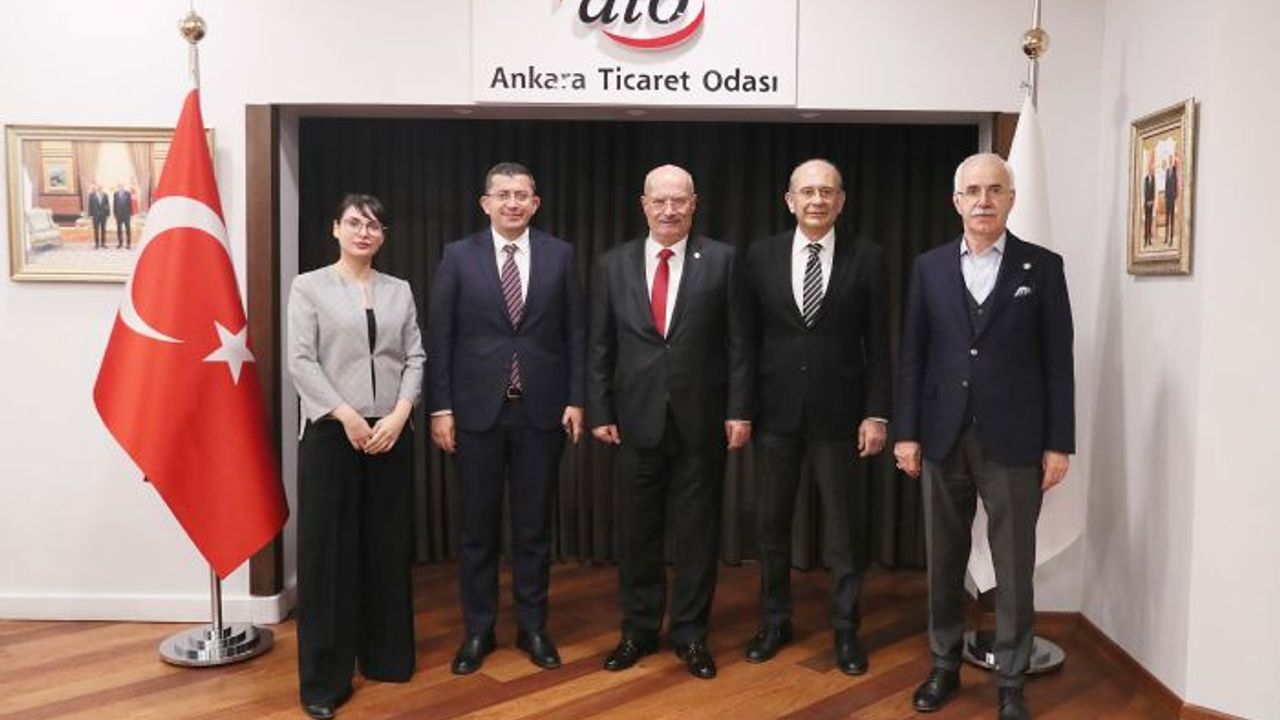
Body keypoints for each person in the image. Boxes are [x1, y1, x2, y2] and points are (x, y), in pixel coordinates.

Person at [894, 153, 1074, 720]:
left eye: (995, 189)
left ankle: (1011, 682)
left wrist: (1059, 443)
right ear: (956, 201)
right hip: (941, 435)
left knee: (1014, 567)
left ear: (1011, 199)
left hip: (1016, 441)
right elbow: (912, 358)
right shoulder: (928, 268)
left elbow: (1058, 363)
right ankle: (943, 665)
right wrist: (906, 433)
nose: (984, 200)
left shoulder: (1042, 267)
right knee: (944, 559)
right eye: (972, 190)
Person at [587, 164, 753, 680]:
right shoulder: (612, 264)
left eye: (679, 200)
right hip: (634, 421)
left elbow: (740, 344)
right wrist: (600, 409)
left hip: (702, 420)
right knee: (637, 534)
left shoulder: (723, 260)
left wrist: (739, 409)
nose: (669, 210)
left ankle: (690, 634)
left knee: (697, 534)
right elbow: (599, 345)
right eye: (659, 201)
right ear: (644, 205)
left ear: (694, 204)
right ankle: (637, 630)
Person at [427, 162, 586, 675]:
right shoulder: (457, 256)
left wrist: (577, 398)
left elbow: (576, 333)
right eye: (503, 195)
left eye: (522, 195)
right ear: (486, 203)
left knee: (534, 529)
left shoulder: (561, 255)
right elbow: (440, 336)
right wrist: (441, 407)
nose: (512, 203)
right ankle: (478, 630)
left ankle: (532, 626)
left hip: (542, 411)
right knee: (477, 531)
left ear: (535, 203)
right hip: (476, 414)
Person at [741, 159, 891, 674]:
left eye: (827, 191)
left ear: (841, 201)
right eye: (807, 191)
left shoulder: (868, 257)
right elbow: (745, 341)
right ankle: (774, 621)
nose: (817, 200)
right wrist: (741, 409)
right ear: (790, 201)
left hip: (842, 415)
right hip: (774, 414)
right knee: (771, 526)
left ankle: (846, 630)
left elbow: (880, 344)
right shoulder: (760, 256)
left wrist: (877, 413)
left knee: (844, 532)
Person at [287, 194, 424, 720]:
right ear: (335, 229)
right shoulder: (309, 287)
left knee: (386, 547)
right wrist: (346, 416)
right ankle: (325, 679)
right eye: (354, 223)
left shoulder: (398, 290)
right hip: (332, 433)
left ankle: (387, 657)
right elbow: (301, 361)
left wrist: (401, 413)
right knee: (329, 556)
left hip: (390, 432)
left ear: (384, 236)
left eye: (374, 226)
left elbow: (415, 356)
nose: (364, 232)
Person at [87, 183, 110, 249]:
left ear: (102, 188)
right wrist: (90, 215)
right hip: (95, 215)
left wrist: (108, 214)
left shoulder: (105, 195)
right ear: (96, 188)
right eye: (98, 187)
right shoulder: (92, 195)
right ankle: (97, 244)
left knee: (103, 229)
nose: (99, 188)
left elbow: (107, 205)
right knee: (96, 230)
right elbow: (90, 205)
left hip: (103, 215)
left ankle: (103, 243)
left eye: (100, 187)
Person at [112, 183, 133, 249]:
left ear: (123, 187)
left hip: (126, 215)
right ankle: (120, 243)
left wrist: (130, 213)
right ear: (118, 187)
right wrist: (115, 213)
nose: (121, 188)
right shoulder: (115, 194)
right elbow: (114, 204)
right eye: (119, 186)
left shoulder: (128, 193)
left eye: (122, 186)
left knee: (128, 229)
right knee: (119, 230)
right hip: (118, 215)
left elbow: (130, 204)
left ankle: (128, 244)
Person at [1163, 155, 1178, 245]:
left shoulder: (1174, 170)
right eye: (1169, 160)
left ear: (1172, 161)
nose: (1170, 161)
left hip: (1172, 198)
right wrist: (1165, 195)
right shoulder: (1167, 171)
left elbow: (1176, 184)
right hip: (1167, 198)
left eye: (1171, 160)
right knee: (1167, 218)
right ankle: (1166, 237)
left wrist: (1175, 196)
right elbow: (1166, 184)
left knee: (1172, 219)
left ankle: (1171, 239)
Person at [1142, 159, 1156, 247]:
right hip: (1146, 203)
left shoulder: (1154, 179)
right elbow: (1145, 191)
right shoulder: (1146, 179)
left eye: (1152, 169)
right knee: (1146, 221)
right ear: (1148, 169)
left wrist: (1152, 201)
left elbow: (1153, 191)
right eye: (1150, 169)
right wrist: (1147, 201)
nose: (1151, 170)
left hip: (1151, 203)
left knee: (1150, 221)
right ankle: (1145, 239)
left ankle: (1149, 239)